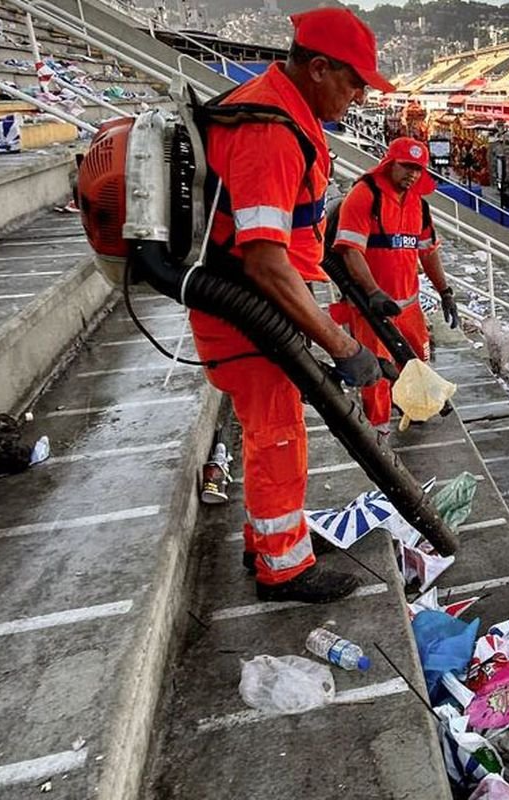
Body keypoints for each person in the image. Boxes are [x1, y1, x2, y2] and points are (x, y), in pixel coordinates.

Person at [188, 7, 391, 604]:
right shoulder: (272, 130)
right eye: (354, 82)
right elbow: (265, 261)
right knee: (277, 438)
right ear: (320, 67)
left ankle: (272, 540)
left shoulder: (286, 112)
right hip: (251, 314)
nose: (358, 96)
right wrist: (342, 344)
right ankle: (283, 570)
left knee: (273, 434)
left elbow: (295, 232)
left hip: (265, 312)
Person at [331, 137, 459, 433]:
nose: (412, 174)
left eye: (418, 169)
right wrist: (373, 292)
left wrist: (445, 292)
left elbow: (428, 252)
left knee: (416, 364)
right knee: (374, 372)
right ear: (390, 164)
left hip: (409, 308)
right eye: (406, 166)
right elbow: (350, 250)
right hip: (370, 308)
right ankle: (377, 430)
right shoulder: (365, 196)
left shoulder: (419, 205)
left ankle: (413, 408)